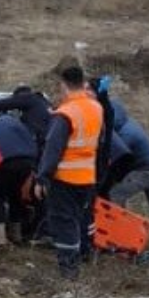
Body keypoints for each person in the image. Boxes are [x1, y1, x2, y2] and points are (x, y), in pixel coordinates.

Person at [35, 66, 103, 280]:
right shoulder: (95, 107)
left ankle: (68, 271)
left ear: (63, 85)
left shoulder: (65, 114)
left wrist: (42, 177)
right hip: (87, 177)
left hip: (64, 179)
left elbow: (52, 149)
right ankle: (78, 261)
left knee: (63, 224)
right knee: (77, 220)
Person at [107, 100, 149, 234]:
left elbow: (119, 160)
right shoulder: (129, 124)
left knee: (115, 195)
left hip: (146, 172)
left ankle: (123, 230)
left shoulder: (124, 135)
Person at [0, 111, 38, 246]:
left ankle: (0, 237)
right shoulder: (18, 124)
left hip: (4, 162)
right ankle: (16, 234)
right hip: (26, 162)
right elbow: (32, 142)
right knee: (16, 196)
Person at [0, 85, 53, 151]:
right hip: (47, 142)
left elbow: (0, 104)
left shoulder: (29, 98)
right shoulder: (44, 102)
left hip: (36, 141)